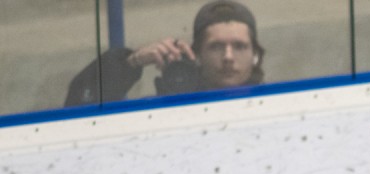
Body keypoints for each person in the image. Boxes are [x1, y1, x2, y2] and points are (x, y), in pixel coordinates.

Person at [65, 1, 264, 107]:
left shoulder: (273, 105)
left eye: (239, 46)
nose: (228, 57)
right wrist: (130, 63)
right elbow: (79, 111)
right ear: (197, 55)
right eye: (216, 47)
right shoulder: (169, 111)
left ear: (255, 54)